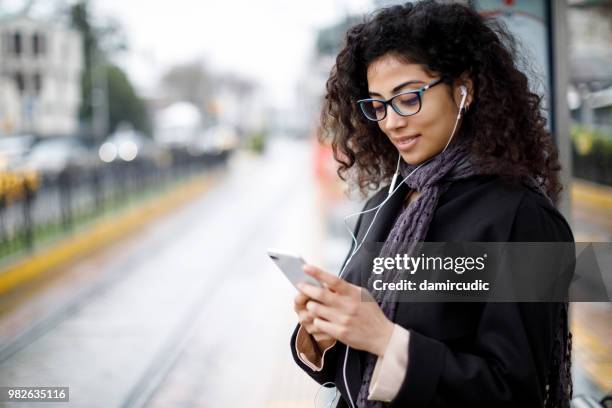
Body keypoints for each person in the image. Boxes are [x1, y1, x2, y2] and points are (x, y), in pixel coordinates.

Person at [289, 1, 574, 407]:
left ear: (464, 89)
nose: (391, 122)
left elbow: (515, 391)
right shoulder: (385, 203)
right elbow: (354, 372)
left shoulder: (523, 219)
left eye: (408, 98)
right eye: (379, 105)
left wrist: (386, 339)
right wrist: (325, 333)